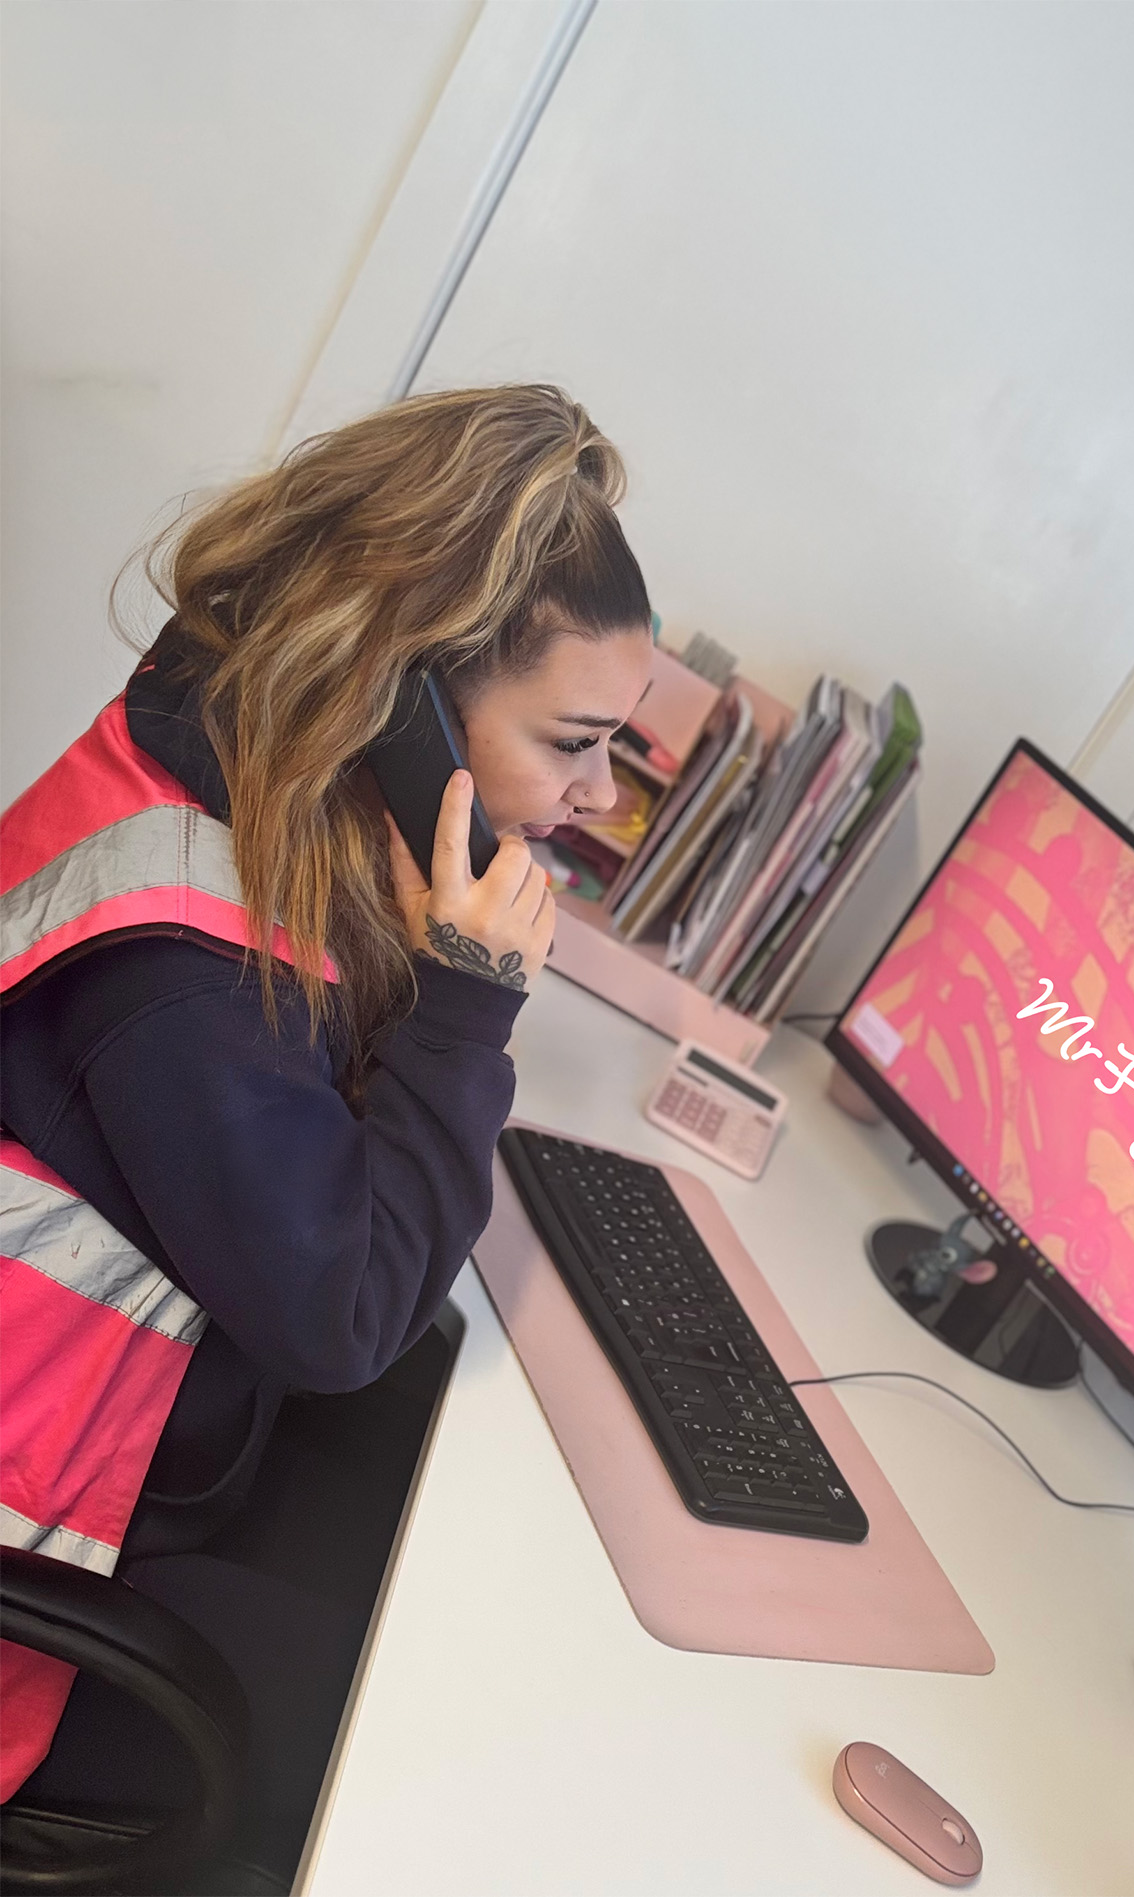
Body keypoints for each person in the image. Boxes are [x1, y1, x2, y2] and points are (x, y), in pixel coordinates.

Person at [0, 385, 655, 1827]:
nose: (599, 795)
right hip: (48, 1548)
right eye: (572, 741)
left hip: (153, 1428)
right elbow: (346, 1318)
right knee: (484, 1741)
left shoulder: (238, 766)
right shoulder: (181, 972)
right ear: (404, 698)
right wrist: (470, 1002)